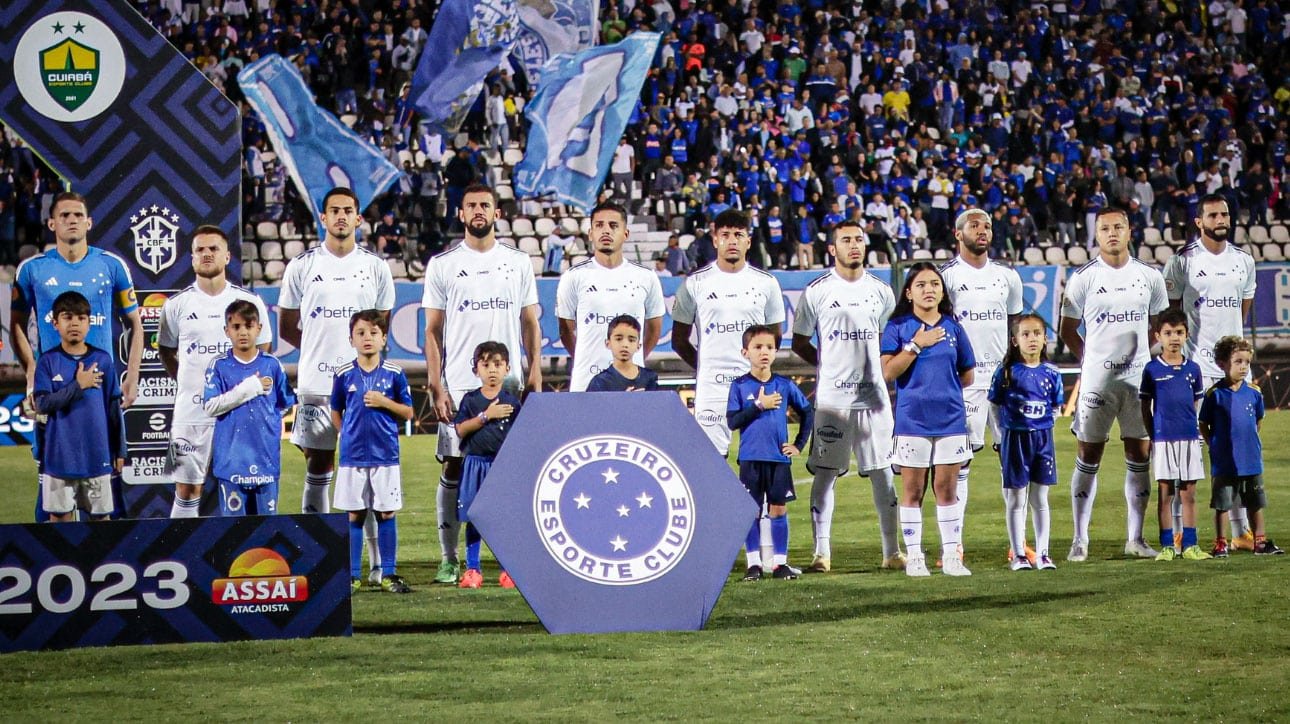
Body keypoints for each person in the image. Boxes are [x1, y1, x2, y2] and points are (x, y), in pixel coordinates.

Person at [423, 183, 541, 585]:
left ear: (497, 213)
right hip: (459, 385)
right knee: (454, 469)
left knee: (508, 473)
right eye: (470, 204)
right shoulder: (442, 264)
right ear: (460, 213)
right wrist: (437, 385)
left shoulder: (518, 261)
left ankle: (506, 560)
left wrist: (535, 369)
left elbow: (529, 321)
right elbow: (433, 331)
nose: (478, 211)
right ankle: (450, 558)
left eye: (485, 205)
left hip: (508, 384)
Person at [278, 187, 395, 581]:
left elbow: (382, 325)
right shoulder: (302, 266)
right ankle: (322, 555)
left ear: (358, 219)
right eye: (334, 211)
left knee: (369, 470)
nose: (341, 217)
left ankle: (377, 566)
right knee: (319, 463)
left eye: (348, 210)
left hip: (364, 386)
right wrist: (319, 350)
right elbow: (287, 326)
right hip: (316, 384)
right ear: (323, 219)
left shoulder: (375, 267)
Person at [12, 191, 143, 521]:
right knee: (52, 485)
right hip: (53, 386)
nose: (71, 220)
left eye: (77, 215)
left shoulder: (112, 266)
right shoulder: (32, 270)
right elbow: (15, 325)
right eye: (64, 215)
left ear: (89, 222)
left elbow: (135, 324)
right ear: (52, 223)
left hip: (100, 389)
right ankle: (52, 565)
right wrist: (31, 371)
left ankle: (104, 566)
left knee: (104, 490)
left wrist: (133, 375)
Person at [671, 209, 785, 565]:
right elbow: (679, 339)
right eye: (726, 234)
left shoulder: (765, 284)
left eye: (739, 234)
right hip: (712, 388)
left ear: (748, 240)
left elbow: (774, 337)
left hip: (757, 390)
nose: (732, 240)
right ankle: (712, 547)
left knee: (762, 465)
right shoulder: (696, 283)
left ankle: (765, 551)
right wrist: (705, 368)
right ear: (715, 239)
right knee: (711, 467)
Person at [791, 221, 903, 572]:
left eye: (858, 240)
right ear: (832, 248)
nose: (853, 245)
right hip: (832, 401)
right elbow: (799, 341)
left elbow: (889, 340)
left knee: (883, 473)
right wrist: (826, 367)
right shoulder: (817, 291)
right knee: (825, 474)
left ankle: (892, 552)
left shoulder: (882, 292)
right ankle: (821, 554)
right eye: (846, 240)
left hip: (873, 399)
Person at [1059, 206, 1167, 562]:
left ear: (1129, 230)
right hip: (1097, 384)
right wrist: (1091, 361)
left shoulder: (1149, 276)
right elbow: (1067, 330)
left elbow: (1158, 324)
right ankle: (1079, 540)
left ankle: (1135, 538)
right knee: (1089, 455)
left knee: (1139, 455)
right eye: (1104, 228)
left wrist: (1145, 358)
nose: (1111, 233)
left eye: (1118, 226)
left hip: (1138, 382)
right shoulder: (1083, 278)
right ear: (1097, 235)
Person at [1162, 194, 1257, 551]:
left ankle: (1240, 531)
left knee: (1234, 451)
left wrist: (1233, 352)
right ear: (1198, 221)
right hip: (1194, 371)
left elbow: (1243, 306)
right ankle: (1178, 531)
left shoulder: (1243, 261)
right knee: (1186, 452)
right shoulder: (1182, 262)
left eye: (1225, 214)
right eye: (1213, 215)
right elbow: (1171, 315)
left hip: (1233, 372)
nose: (1221, 219)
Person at [158, 225, 271, 518]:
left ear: (228, 256)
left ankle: (242, 557)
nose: (207, 254)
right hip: (191, 413)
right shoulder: (176, 305)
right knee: (186, 489)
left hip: (238, 414)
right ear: (192, 258)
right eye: (200, 250)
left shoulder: (250, 303)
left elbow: (264, 351)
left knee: (242, 486)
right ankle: (181, 558)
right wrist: (189, 383)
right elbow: (166, 349)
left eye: (213, 249)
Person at [880, 262, 976, 577]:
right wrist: (916, 345)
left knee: (947, 488)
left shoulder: (953, 327)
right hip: (912, 421)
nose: (929, 289)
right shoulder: (897, 327)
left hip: (950, 419)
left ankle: (951, 556)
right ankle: (915, 557)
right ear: (908, 292)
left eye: (935, 284)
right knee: (913, 489)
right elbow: (888, 372)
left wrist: (941, 391)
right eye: (921, 284)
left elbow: (967, 374)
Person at [940, 208, 1024, 564]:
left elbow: (1016, 328)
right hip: (966, 383)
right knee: (960, 464)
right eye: (975, 226)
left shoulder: (1007, 277)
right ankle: (953, 545)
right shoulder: (946, 278)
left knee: (1014, 463)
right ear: (958, 235)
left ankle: (1018, 546)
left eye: (987, 226)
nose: (983, 231)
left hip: (1003, 382)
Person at [331, 310, 415, 594]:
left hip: (385, 455)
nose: (367, 338)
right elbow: (335, 410)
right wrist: (346, 434)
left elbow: (408, 412)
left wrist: (383, 402)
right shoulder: (343, 374)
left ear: (383, 339)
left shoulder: (394, 374)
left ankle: (389, 573)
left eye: (373, 333)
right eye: (361, 333)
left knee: (387, 513)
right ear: (351, 339)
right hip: (352, 457)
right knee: (354, 514)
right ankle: (353, 575)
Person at [726, 325, 813, 581]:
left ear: (775, 352)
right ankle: (753, 564)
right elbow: (733, 421)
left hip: (778, 459)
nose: (764, 352)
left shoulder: (784, 385)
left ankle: (779, 564)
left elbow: (808, 411)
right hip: (751, 458)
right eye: (758, 347)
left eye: (770, 347)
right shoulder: (740, 386)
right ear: (745, 352)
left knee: (778, 510)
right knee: (751, 510)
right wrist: (758, 405)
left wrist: (798, 444)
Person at [32, 291, 125, 522]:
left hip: (97, 456)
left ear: (89, 322)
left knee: (101, 528)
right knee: (60, 527)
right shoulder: (47, 361)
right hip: (59, 459)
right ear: (55, 323)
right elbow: (42, 404)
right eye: (67, 317)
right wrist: (78, 386)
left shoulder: (102, 360)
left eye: (81, 318)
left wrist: (120, 450)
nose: (75, 323)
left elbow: (114, 408)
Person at [556, 201, 664, 391]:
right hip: (585, 383)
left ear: (626, 233)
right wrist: (584, 358)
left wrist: (633, 360)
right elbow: (565, 331)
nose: (606, 231)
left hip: (632, 383)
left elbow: (654, 330)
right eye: (599, 225)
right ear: (590, 233)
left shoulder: (646, 277)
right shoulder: (573, 277)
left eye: (613, 226)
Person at [201, 300, 295, 517]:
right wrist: (250, 388)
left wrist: (267, 426)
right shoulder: (219, 365)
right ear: (227, 331)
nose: (242, 332)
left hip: (266, 461)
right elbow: (211, 406)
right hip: (232, 463)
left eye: (248, 326)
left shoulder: (272, 365)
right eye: (236, 327)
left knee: (267, 531)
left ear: (259, 328)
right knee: (234, 533)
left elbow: (284, 404)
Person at [989, 314, 1063, 571]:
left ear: (1045, 339)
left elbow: (1055, 407)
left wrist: (1042, 424)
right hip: (1015, 439)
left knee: (1040, 498)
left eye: (1037, 334)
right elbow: (994, 404)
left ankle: (1043, 554)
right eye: (1025, 334)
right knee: (1016, 498)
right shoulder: (1007, 371)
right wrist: (1003, 432)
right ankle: (1019, 554)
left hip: (1043, 441)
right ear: (1015, 340)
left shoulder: (1052, 372)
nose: (1032, 339)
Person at [1200, 337, 1283, 557]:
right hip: (1225, 461)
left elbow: (1258, 421)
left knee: (1255, 502)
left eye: (1246, 362)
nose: (1243, 367)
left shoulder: (1254, 392)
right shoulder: (1214, 394)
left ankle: (1260, 542)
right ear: (1222, 364)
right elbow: (1203, 424)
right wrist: (1214, 445)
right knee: (1222, 503)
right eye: (1238, 361)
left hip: (1251, 459)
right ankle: (1220, 544)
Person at [1139, 310, 1209, 561]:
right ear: (1158, 336)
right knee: (1166, 492)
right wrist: (1152, 435)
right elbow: (1145, 407)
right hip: (1163, 439)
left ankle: (1190, 544)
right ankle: (1168, 545)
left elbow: (1197, 405)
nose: (1174, 338)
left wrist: (1197, 433)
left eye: (1179, 332)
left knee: (1189, 493)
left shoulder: (1193, 369)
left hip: (1189, 438)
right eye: (1168, 333)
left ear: (1187, 335)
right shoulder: (1151, 370)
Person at [453, 341, 523, 588]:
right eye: (486, 365)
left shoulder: (512, 402)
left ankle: (508, 570)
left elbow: (520, 436)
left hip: (502, 468)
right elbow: (460, 430)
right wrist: (486, 416)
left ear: (507, 369)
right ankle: (473, 569)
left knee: (504, 518)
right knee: (475, 517)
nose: (492, 370)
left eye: (497, 364)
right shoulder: (471, 400)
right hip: (475, 465)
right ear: (476, 370)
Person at [587, 315, 661, 392]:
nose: (625, 345)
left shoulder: (649, 378)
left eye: (631, 340)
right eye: (619, 339)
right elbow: (592, 404)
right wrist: (624, 400)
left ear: (638, 346)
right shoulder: (600, 382)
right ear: (608, 343)